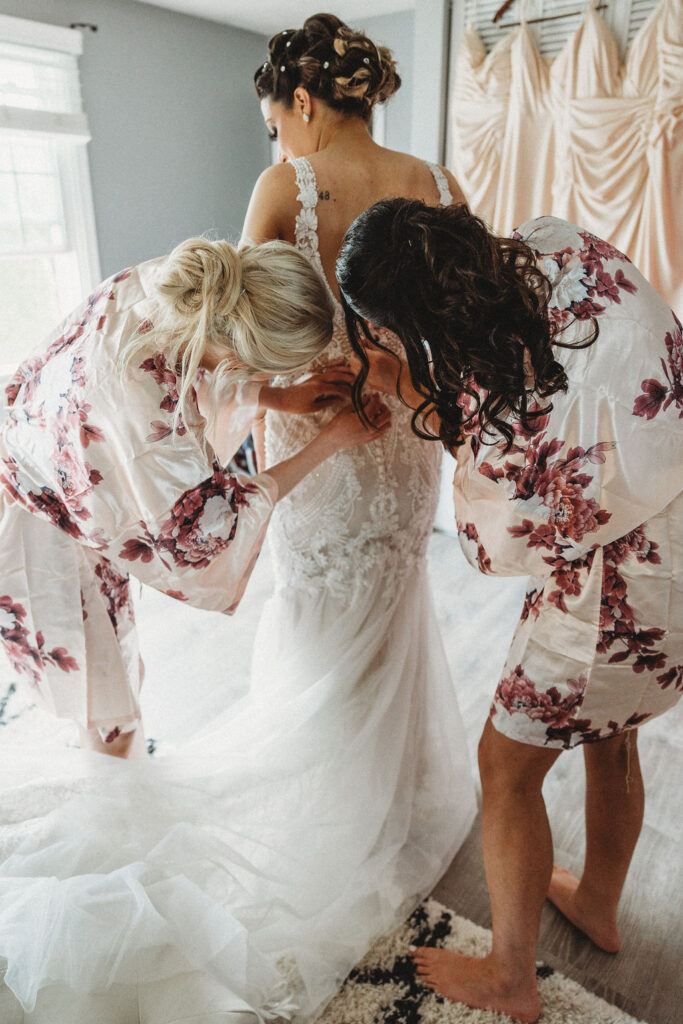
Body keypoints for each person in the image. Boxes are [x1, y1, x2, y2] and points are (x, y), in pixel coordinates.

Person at [336, 198, 682, 1023]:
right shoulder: (553, 246)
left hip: (618, 595)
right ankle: (596, 903)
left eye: (381, 331)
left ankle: (509, 978)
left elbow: (497, 538)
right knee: (612, 735)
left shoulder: (512, 402)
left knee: (506, 768)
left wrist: (410, 384)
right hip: (677, 544)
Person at [0, 236, 387, 758]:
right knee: (105, 708)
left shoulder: (182, 282)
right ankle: (111, 813)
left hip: (43, 467)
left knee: (106, 687)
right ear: (242, 351)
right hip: (39, 531)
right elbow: (210, 535)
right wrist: (330, 441)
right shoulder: (148, 413)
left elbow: (194, 364)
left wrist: (275, 395)